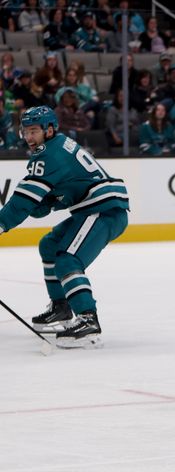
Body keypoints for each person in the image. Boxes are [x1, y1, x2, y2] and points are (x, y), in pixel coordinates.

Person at [0, 106, 129, 348]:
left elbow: (21, 204)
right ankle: (61, 307)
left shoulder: (49, 155)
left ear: (49, 130)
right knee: (49, 245)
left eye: (34, 131)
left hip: (103, 211)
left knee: (68, 260)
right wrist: (40, 201)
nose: (29, 137)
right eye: (26, 131)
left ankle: (88, 319)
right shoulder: (57, 146)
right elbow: (42, 203)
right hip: (95, 209)